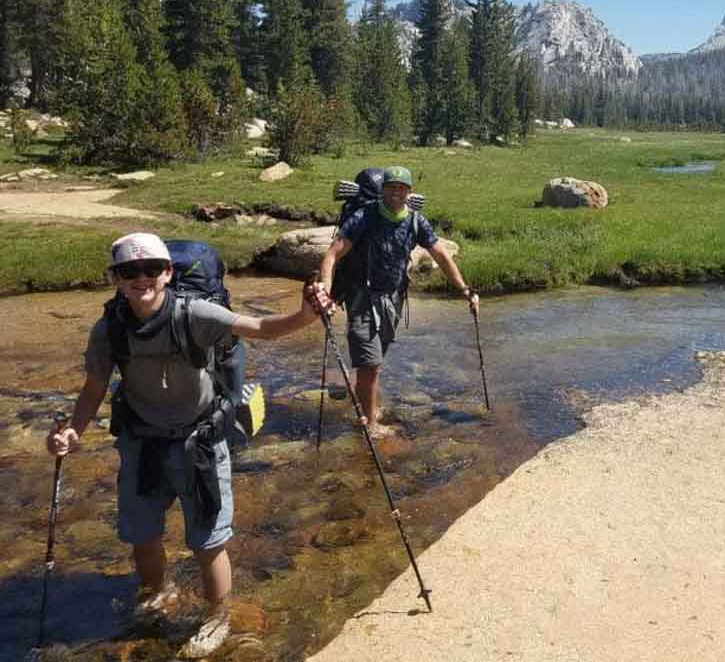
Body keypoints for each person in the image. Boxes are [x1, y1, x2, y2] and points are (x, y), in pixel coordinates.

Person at [46, 232, 331, 659]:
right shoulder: (108, 329)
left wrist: (306, 315)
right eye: (129, 271)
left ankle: (219, 616)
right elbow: (93, 387)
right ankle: (159, 591)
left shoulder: (194, 312)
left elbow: (261, 328)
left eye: (151, 270)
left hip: (198, 440)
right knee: (141, 534)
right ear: (115, 278)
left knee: (208, 540)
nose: (141, 279)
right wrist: (73, 431)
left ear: (167, 273)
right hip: (141, 441)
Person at [318, 164, 479, 438]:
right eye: (391, 188)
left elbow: (441, 254)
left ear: (409, 192)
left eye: (401, 189)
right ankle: (370, 425)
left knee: (374, 361)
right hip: (362, 299)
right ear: (383, 191)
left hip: (393, 299)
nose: (396, 193)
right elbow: (332, 255)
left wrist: (464, 289)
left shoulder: (416, 221)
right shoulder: (364, 216)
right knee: (371, 364)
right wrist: (325, 293)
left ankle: (367, 407)